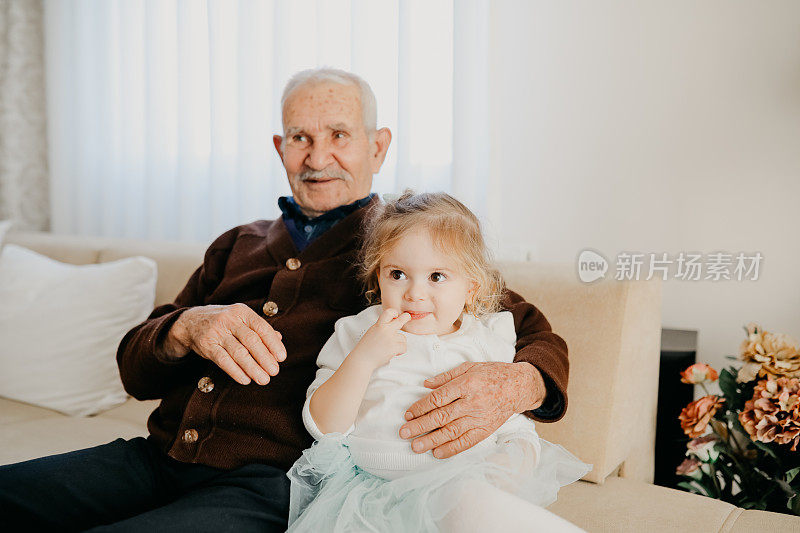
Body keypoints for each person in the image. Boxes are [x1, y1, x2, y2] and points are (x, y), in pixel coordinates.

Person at [0, 69, 570, 532]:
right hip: (158, 455)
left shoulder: (404, 252)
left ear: (379, 145)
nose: (318, 158)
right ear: (280, 147)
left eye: (339, 136)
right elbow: (135, 370)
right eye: (300, 138)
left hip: (265, 484)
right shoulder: (237, 244)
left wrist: (519, 383)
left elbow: (535, 332)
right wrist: (183, 327)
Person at [286, 191, 590, 532]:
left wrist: (502, 474)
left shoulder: (486, 338)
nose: (415, 293)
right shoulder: (358, 332)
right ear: (378, 277)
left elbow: (516, 430)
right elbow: (324, 426)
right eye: (397, 274)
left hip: (462, 487)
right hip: (370, 496)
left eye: (437, 277)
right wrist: (364, 358)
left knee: (470, 506)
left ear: (471, 289)